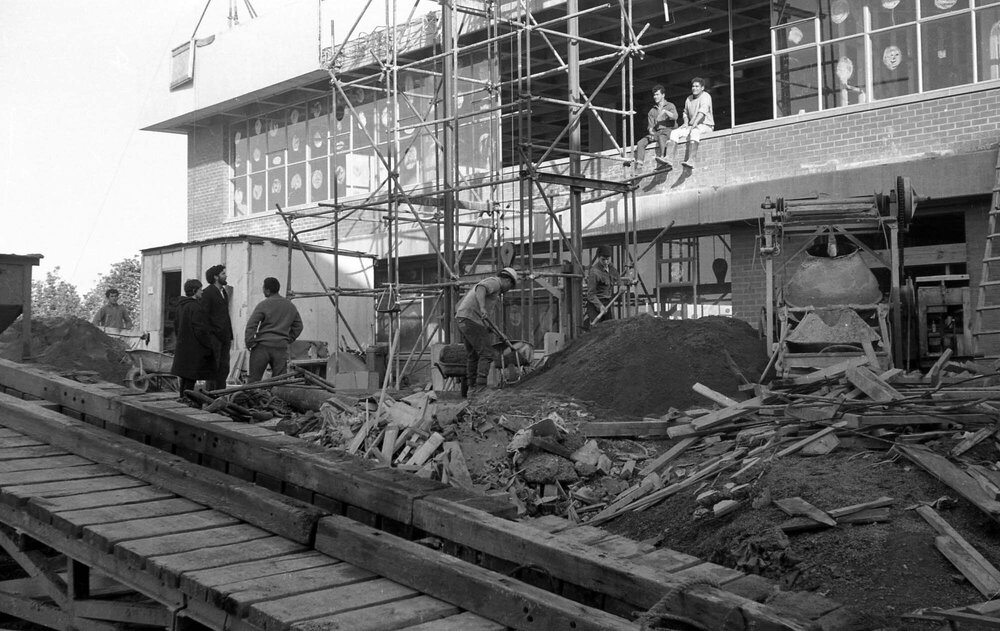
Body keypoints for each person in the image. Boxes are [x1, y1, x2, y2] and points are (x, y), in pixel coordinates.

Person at [455, 267, 518, 396]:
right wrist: (483, 308)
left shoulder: (494, 288)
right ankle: (480, 388)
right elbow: (481, 288)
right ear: (506, 280)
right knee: (487, 354)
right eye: (510, 286)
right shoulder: (495, 282)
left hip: (463, 319)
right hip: (471, 319)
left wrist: (487, 327)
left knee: (473, 356)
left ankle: (471, 388)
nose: (508, 290)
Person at [244, 277, 304, 383]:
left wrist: (250, 342)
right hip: (280, 348)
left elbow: (251, 325)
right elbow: (299, 326)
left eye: (263, 288)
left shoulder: (263, 305)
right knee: (280, 383)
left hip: (262, 347)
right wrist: (289, 339)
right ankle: (276, 399)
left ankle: (251, 399)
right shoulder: (290, 306)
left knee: (253, 381)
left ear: (267, 290)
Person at [170, 279, 214, 402]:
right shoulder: (196, 307)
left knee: (184, 377)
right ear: (194, 291)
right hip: (194, 348)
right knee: (191, 377)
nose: (202, 292)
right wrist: (208, 345)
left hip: (183, 346)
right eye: (200, 289)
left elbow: (176, 326)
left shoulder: (181, 306)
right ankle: (186, 402)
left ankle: (182, 400)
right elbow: (200, 330)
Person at [661, 77, 714, 170]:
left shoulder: (706, 96)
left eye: (697, 86)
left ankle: (691, 160)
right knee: (674, 132)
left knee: (695, 132)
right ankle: (669, 158)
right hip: (692, 125)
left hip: (706, 125)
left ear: (702, 88)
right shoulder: (688, 99)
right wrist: (686, 123)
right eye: (693, 86)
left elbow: (702, 111)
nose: (694, 88)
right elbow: (685, 112)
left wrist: (694, 123)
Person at [631, 84, 677, 172]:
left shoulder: (670, 106)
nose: (655, 97)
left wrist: (665, 112)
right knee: (640, 143)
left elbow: (675, 117)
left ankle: (664, 159)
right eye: (654, 95)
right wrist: (652, 133)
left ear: (663, 95)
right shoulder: (652, 111)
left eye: (657, 94)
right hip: (657, 132)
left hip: (668, 130)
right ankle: (639, 166)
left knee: (662, 137)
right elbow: (650, 127)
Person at [202, 264, 234, 390]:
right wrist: (212, 333)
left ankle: (221, 393)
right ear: (215, 277)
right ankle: (210, 395)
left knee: (224, 367)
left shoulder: (224, 292)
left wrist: (229, 334)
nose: (226, 276)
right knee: (213, 368)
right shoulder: (208, 293)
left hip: (224, 337)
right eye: (223, 274)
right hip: (214, 338)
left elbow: (225, 315)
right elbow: (204, 317)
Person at [585, 245, 620, 327]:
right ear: (598, 258)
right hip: (595, 304)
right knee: (597, 329)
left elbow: (617, 276)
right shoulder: (594, 272)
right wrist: (600, 306)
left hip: (607, 302)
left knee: (609, 328)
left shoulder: (611, 268)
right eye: (603, 260)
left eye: (607, 259)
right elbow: (590, 294)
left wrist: (620, 284)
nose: (605, 262)